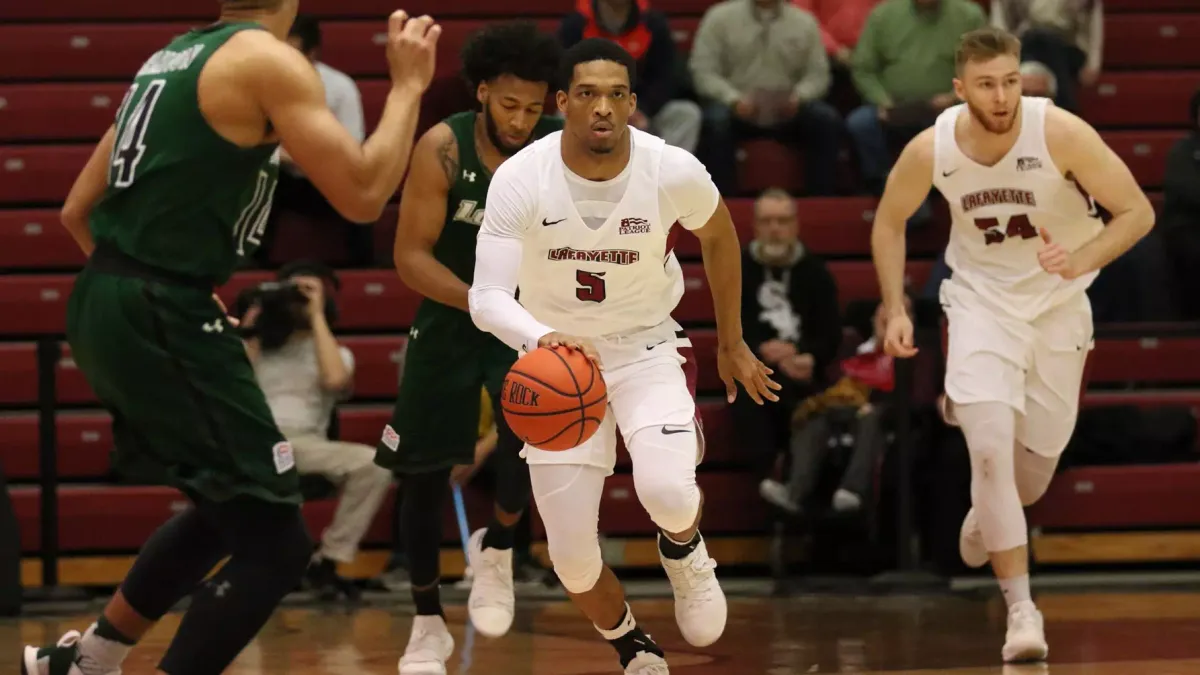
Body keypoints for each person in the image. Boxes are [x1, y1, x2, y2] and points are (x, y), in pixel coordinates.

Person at [22, 2, 440, 674]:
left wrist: (152, 284)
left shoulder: (172, 57)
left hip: (106, 294)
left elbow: (78, 208)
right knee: (277, 542)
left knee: (230, 506)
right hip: (158, 302)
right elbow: (364, 193)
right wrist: (408, 87)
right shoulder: (266, 60)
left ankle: (87, 660)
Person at [469, 38, 780, 674]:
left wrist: (732, 340)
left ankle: (685, 549)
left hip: (645, 347)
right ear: (562, 103)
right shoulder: (520, 178)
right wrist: (539, 338)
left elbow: (720, 236)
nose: (602, 108)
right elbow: (487, 298)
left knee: (667, 489)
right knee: (572, 558)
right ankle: (632, 644)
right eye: (587, 94)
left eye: (616, 94)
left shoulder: (671, 168)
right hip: (559, 363)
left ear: (634, 104)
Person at [871, 26, 1154, 664]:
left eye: (1009, 82)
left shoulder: (1059, 131)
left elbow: (1137, 212)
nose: (1001, 97)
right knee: (992, 455)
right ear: (959, 89)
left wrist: (1080, 258)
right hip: (979, 303)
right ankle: (1022, 610)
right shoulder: (932, 147)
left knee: (1029, 477)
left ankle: (988, 511)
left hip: (1057, 307)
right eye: (986, 85)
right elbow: (889, 221)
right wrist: (895, 307)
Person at [375, 21, 562, 675]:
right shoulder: (442, 147)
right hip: (453, 313)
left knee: (535, 439)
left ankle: (500, 545)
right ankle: (427, 623)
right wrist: (483, 302)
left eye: (533, 108)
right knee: (422, 474)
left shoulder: (554, 153)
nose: (519, 118)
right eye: (508, 104)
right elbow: (409, 258)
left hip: (524, 320)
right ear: (482, 92)